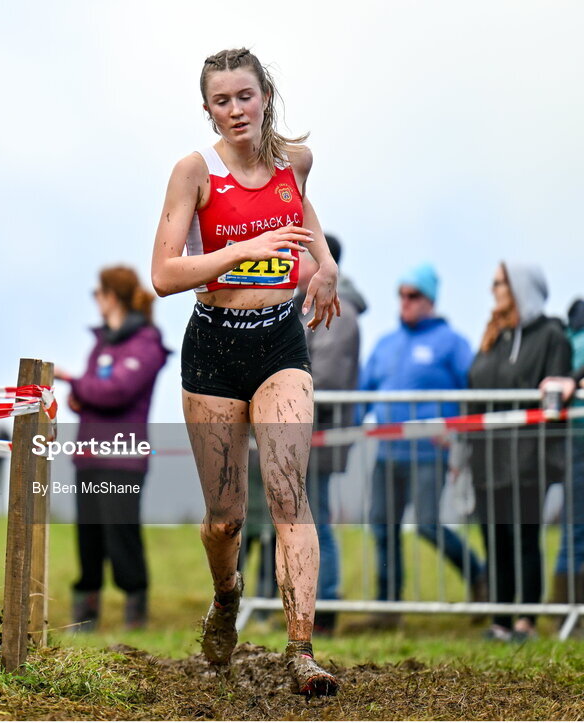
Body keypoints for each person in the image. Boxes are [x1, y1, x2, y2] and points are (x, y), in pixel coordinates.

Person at [150, 47, 340, 696]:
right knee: (226, 516)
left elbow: (302, 211)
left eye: (245, 96)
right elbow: (164, 274)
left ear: (266, 96)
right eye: (222, 100)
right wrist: (242, 249)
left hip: (278, 345)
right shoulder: (194, 173)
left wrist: (326, 263)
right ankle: (226, 595)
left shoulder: (296, 161)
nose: (235, 109)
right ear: (207, 110)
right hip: (214, 348)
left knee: (289, 493)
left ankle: (302, 650)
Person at [358, 263, 485, 628]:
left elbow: (474, 391)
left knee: (428, 524)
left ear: (429, 300)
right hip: (386, 453)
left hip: (428, 452)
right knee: (383, 526)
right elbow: (363, 394)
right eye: (401, 294)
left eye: (413, 295)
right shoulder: (385, 344)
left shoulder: (452, 342)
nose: (405, 302)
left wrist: (459, 435)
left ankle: (479, 576)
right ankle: (387, 608)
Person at [54, 266, 168, 631]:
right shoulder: (102, 342)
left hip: (122, 459)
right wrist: (81, 392)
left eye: (98, 293)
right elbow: (94, 391)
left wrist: (74, 382)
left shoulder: (146, 342)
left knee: (122, 538)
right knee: (89, 539)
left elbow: (116, 390)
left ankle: (136, 616)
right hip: (88, 456)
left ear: (110, 296)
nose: (95, 300)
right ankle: (85, 620)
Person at [469, 262, 571, 641]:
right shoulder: (493, 336)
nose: (494, 290)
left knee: (524, 536)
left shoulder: (551, 336)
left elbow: (553, 397)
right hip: (486, 457)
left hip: (528, 458)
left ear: (521, 287)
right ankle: (500, 621)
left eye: (501, 283)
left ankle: (525, 622)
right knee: (495, 539)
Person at [296, 233, 366, 634]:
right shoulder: (301, 305)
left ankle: (328, 603)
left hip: (318, 434)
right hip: (299, 433)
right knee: (304, 518)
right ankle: (306, 601)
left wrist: (284, 393)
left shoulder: (338, 310)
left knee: (317, 519)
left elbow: (328, 377)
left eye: (302, 255)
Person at [542, 298, 584, 613]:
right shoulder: (570, 340)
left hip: (571, 435)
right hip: (576, 437)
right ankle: (567, 613)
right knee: (576, 525)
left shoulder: (567, 335)